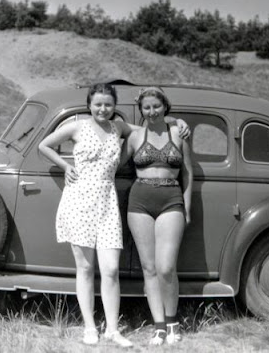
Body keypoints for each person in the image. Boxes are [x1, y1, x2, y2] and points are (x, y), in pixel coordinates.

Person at [38, 83, 188, 347]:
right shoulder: (77, 126)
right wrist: (65, 166)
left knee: (111, 269)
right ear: (89, 104)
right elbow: (44, 145)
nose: (103, 109)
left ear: (114, 106)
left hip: (107, 202)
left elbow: (152, 127)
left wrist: (177, 121)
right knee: (85, 268)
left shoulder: (119, 128)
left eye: (108, 104)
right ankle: (89, 327)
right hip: (80, 200)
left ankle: (112, 329)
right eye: (98, 104)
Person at [122, 86, 193, 345]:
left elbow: (188, 173)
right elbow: (115, 162)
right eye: (146, 107)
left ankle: (173, 320)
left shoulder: (179, 133)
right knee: (149, 268)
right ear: (140, 110)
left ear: (165, 106)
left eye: (156, 106)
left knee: (166, 267)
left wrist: (187, 207)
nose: (152, 112)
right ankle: (159, 325)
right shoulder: (134, 136)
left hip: (171, 199)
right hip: (139, 201)